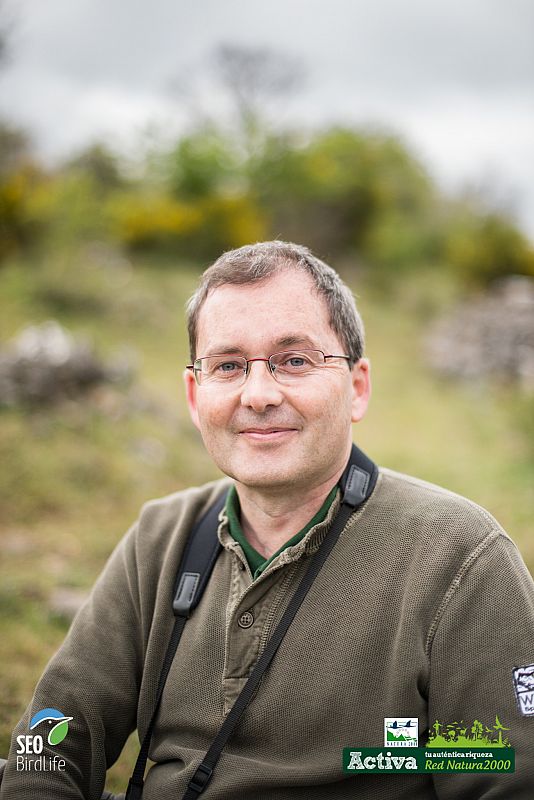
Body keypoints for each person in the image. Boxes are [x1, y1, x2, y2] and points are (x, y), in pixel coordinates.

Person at [1, 240, 533, 800]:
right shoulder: (160, 538)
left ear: (357, 387)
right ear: (193, 393)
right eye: (228, 366)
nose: (257, 394)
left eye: (295, 360)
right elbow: (51, 739)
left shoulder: (462, 560)